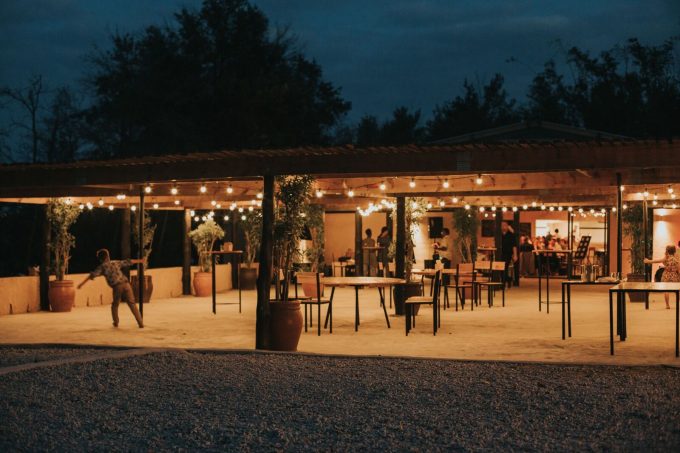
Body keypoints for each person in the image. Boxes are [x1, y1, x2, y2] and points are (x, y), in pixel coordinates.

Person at [78, 249, 145, 328]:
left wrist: (81, 284)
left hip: (117, 286)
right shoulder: (115, 262)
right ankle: (140, 323)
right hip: (126, 284)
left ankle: (116, 322)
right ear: (108, 256)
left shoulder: (102, 267)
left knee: (115, 305)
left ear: (100, 259)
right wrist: (140, 261)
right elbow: (128, 262)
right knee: (132, 304)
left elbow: (92, 275)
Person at [644, 245, 680, 309]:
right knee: (677, 290)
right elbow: (678, 269)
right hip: (674, 276)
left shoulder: (666, 258)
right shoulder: (676, 259)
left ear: (667, 251)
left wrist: (648, 261)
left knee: (666, 290)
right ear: (674, 251)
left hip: (666, 275)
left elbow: (656, 261)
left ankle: (667, 305)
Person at [501, 222, 518, 287]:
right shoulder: (499, 234)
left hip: (508, 254)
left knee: (505, 267)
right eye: (502, 225)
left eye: (505, 225)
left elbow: (514, 246)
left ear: (508, 226)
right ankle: (508, 279)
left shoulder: (511, 235)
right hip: (500, 253)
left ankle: (503, 283)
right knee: (500, 268)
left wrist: (515, 255)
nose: (503, 227)